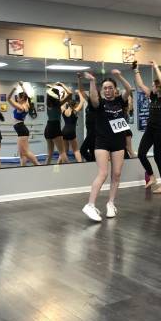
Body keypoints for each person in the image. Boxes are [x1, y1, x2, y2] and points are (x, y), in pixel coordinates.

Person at [81, 70, 132, 222]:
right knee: (103, 174)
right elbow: (94, 98)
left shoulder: (119, 101)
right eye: (105, 88)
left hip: (118, 141)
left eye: (110, 87)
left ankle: (111, 203)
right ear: (102, 90)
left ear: (115, 89)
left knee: (116, 174)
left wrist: (119, 76)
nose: (108, 90)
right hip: (102, 142)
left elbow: (128, 89)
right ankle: (90, 204)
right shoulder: (99, 104)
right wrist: (91, 81)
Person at [134, 60, 161, 194]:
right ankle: (151, 177)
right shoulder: (153, 97)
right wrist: (136, 69)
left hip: (160, 130)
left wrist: (156, 67)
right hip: (150, 129)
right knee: (141, 154)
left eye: (153, 85)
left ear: (158, 87)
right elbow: (140, 84)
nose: (151, 87)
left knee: (157, 158)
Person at [8, 82, 40, 166]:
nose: (17, 99)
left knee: (25, 152)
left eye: (18, 97)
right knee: (22, 152)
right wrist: (22, 86)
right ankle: (23, 167)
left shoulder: (20, 107)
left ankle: (38, 164)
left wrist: (13, 89)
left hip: (21, 130)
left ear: (22, 99)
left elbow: (8, 98)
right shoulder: (27, 104)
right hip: (21, 130)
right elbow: (27, 95)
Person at [45, 82, 72, 165]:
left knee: (50, 154)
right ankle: (69, 171)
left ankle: (45, 171)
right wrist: (61, 84)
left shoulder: (48, 104)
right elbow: (70, 94)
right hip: (55, 128)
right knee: (62, 152)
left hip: (48, 128)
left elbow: (52, 94)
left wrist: (52, 87)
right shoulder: (57, 104)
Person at [62, 90, 85, 163]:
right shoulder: (75, 111)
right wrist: (79, 92)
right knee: (75, 150)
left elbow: (62, 103)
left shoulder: (63, 110)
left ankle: (62, 164)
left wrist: (64, 95)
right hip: (71, 131)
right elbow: (82, 101)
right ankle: (80, 164)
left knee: (65, 150)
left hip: (64, 131)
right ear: (75, 105)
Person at [79, 75, 96, 162]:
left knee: (83, 150)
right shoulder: (89, 101)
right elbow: (81, 91)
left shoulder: (97, 105)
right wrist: (79, 79)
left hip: (94, 133)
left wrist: (92, 81)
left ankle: (91, 163)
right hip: (89, 131)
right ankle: (92, 164)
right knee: (92, 151)